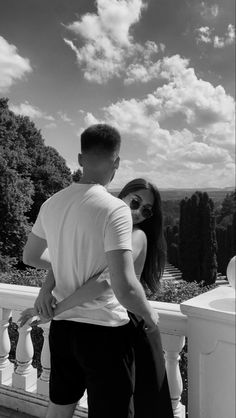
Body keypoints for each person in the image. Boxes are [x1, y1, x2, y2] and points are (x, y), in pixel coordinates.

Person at [22, 124, 159, 418]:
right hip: (104, 332)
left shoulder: (51, 203)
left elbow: (31, 256)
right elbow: (122, 285)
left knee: (59, 408)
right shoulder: (114, 209)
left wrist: (59, 269)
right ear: (117, 163)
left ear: (81, 158)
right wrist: (148, 314)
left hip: (64, 331)